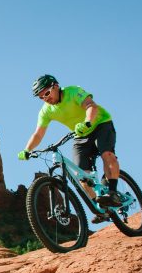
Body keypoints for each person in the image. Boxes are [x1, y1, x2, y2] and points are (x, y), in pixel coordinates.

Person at [18, 74, 122, 207]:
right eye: (41, 97)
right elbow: (38, 134)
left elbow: (91, 106)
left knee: (107, 154)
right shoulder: (46, 111)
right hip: (80, 135)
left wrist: (87, 122)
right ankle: (100, 208)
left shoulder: (73, 91)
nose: (45, 98)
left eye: (47, 93)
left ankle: (113, 192)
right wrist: (27, 149)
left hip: (100, 124)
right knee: (81, 175)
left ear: (56, 86)